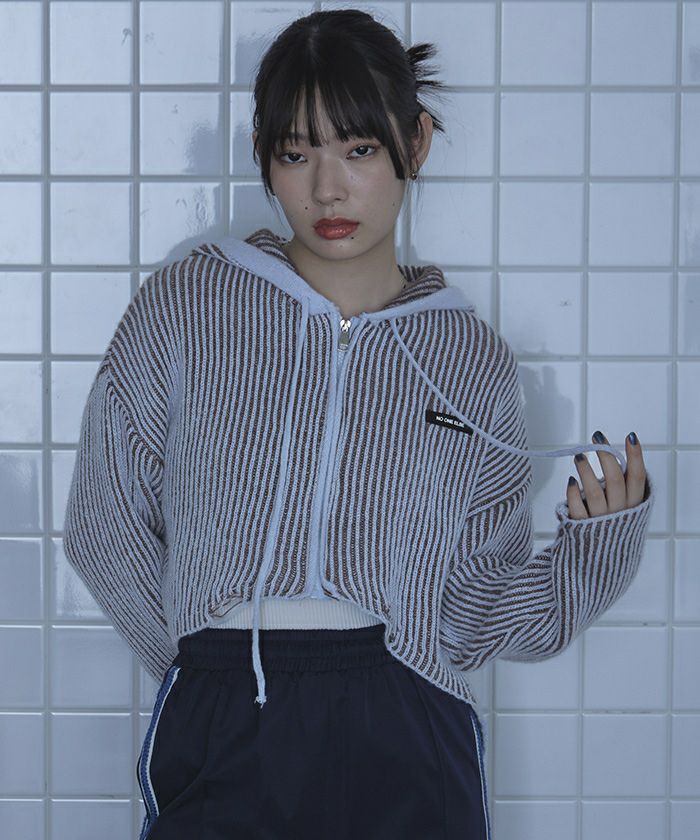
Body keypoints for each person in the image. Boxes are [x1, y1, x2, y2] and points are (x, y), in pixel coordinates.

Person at [62, 9, 654, 840]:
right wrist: (198, 667)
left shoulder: (467, 356)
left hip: (405, 717)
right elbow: (102, 522)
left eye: (360, 149)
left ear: (416, 142)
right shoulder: (190, 304)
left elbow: (472, 610)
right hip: (226, 707)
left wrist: (595, 551)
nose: (327, 190)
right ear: (264, 156)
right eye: (295, 154)